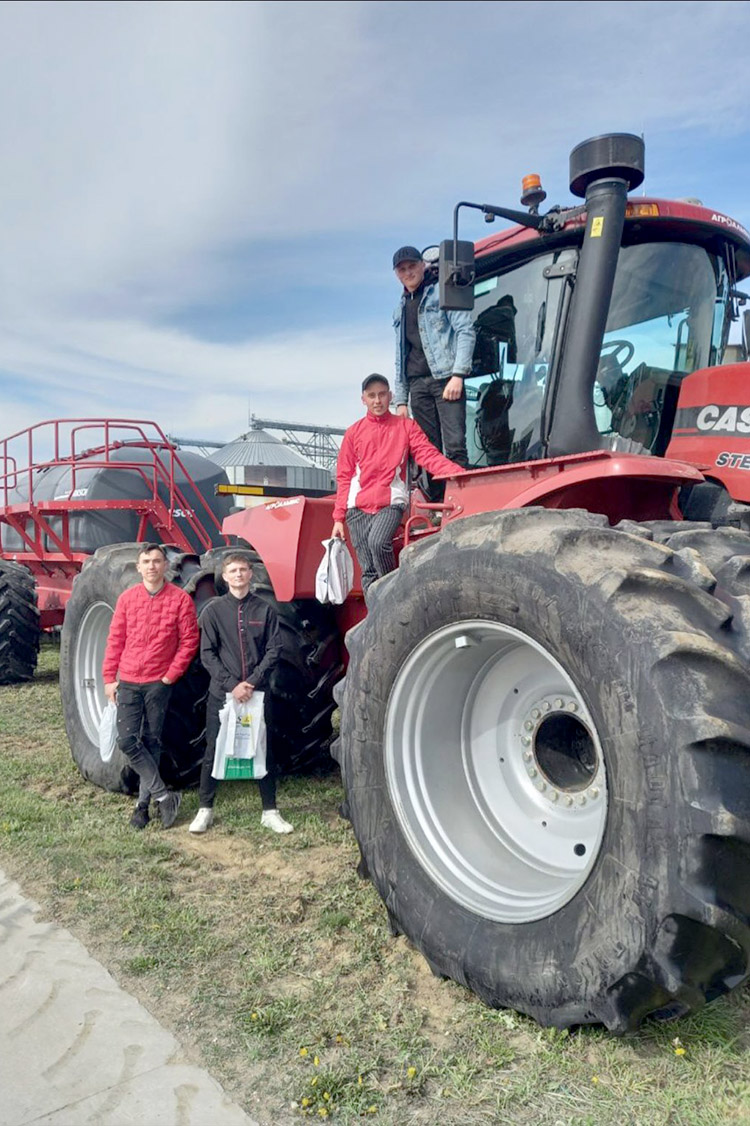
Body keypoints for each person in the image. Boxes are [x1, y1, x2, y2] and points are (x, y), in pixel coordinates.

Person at [332, 374, 465, 593]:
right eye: (372, 396)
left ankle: (394, 594)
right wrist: (338, 518)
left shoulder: (406, 427)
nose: (377, 400)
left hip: (391, 502)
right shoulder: (353, 433)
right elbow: (344, 476)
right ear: (363, 399)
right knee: (368, 571)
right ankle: (377, 609)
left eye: (382, 394)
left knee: (378, 542)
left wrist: (461, 475)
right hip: (357, 509)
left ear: (390, 396)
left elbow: (428, 455)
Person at [191, 551, 292, 835]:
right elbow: (208, 654)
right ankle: (205, 809)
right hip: (223, 694)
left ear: (250, 574)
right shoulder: (213, 611)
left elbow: (274, 649)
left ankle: (270, 811)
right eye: (233, 570)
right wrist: (232, 685)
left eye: (243, 570)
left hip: (257, 694)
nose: (238, 574)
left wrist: (253, 682)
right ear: (225, 576)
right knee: (214, 748)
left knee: (263, 747)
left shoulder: (264, 610)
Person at [103, 543, 199, 830]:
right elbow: (115, 640)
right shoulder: (127, 599)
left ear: (165, 565)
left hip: (159, 682)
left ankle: (142, 807)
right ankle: (163, 796)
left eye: (157, 561)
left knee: (151, 741)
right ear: (138, 567)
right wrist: (109, 678)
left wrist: (170, 676)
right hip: (129, 680)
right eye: (146, 562)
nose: (152, 566)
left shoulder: (180, 600)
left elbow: (189, 642)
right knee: (127, 741)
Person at [392, 245, 476, 482]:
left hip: (445, 380)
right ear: (397, 274)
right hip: (417, 386)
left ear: (423, 265)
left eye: (412, 266)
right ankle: (437, 501)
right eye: (402, 270)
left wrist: (458, 375)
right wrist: (401, 401)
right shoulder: (399, 309)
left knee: (455, 445)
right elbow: (400, 356)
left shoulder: (441, 293)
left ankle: (461, 497)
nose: (408, 273)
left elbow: (465, 331)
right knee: (428, 451)